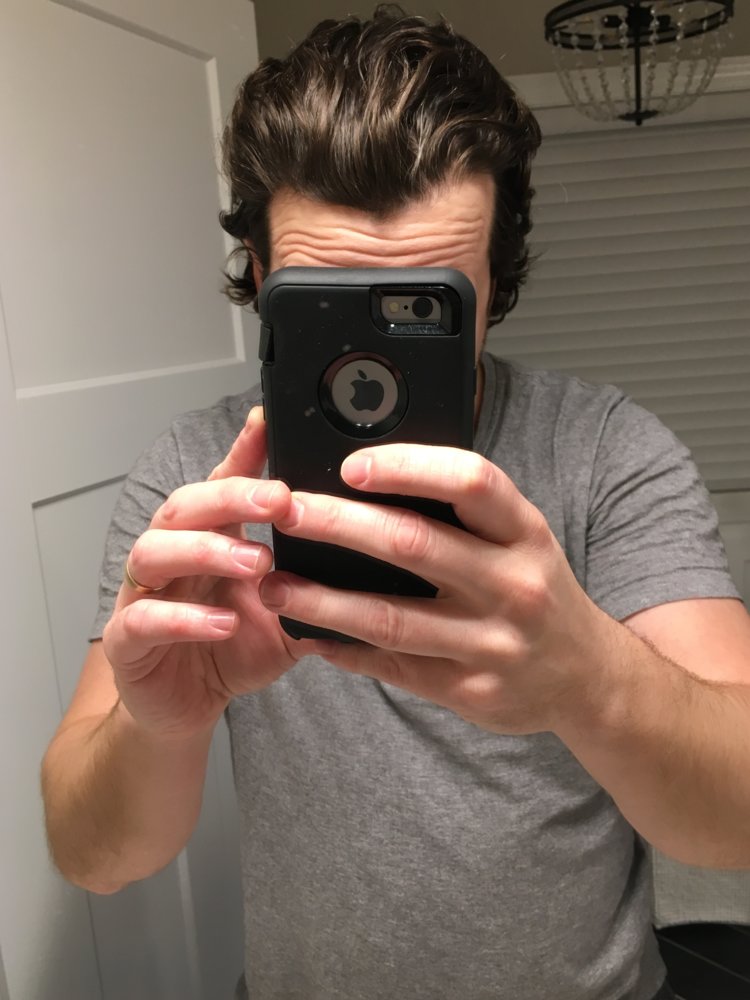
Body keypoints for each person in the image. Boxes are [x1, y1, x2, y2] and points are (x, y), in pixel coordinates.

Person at [41, 7, 750, 1000]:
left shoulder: (604, 451)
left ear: (495, 284)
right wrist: (160, 727)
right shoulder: (197, 476)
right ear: (259, 275)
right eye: (325, 298)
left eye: (423, 303)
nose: (367, 361)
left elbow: (737, 822)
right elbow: (93, 857)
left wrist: (591, 680)